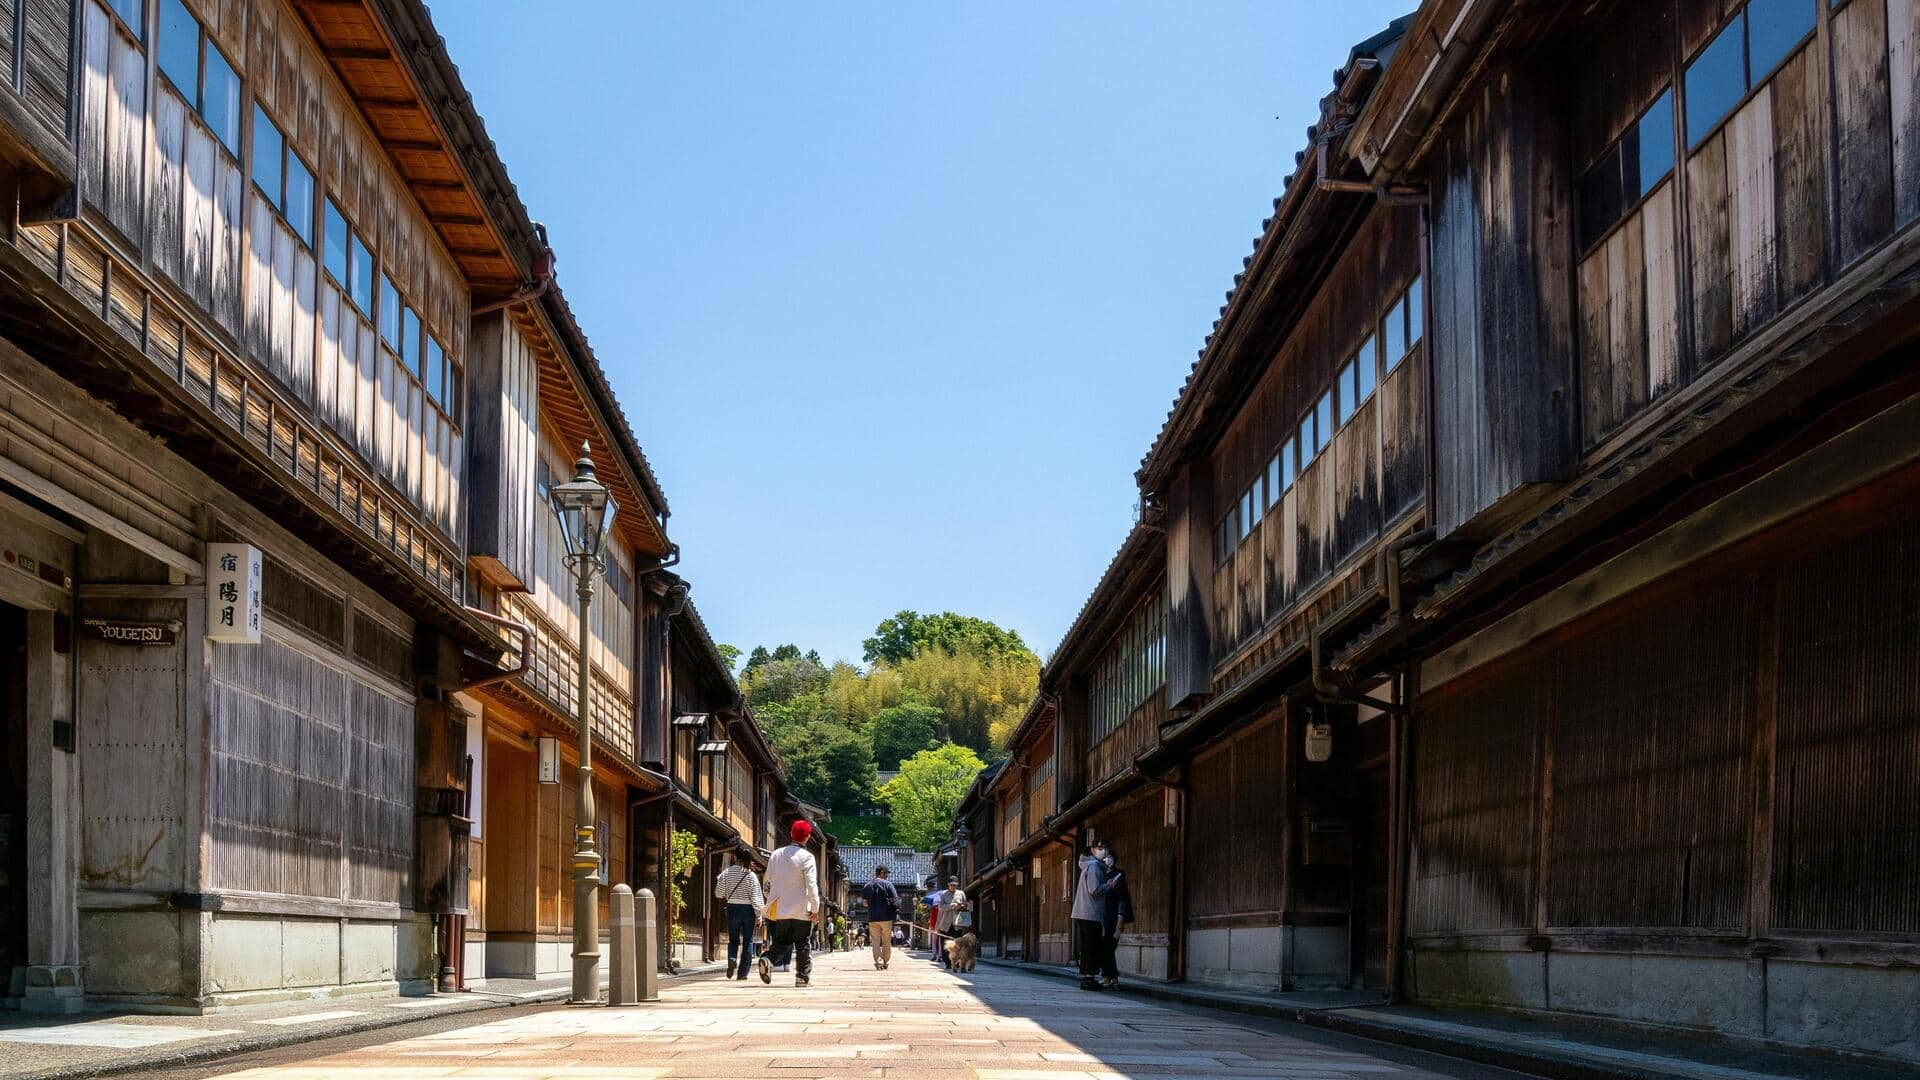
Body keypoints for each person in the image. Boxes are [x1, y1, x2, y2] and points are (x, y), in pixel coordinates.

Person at [758, 819, 821, 987]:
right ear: (807, 837)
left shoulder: (776, 854)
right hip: (801, 908)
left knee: (782, 941)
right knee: (802, 944)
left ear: (791, 834)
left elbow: (767, 881)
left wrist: (769, 898)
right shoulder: (807, 857)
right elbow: (811, 884)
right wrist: (815, 908)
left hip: (781, 908)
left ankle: (768, 959)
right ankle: (801, 977)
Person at [713, 849, 765, 981]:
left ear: (735, 857)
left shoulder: (727, 873)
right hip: (748, 909)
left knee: (733, 939)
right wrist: (759, 914)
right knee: (748, 941)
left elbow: (719, 893)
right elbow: (756, 897)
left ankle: (731, 959)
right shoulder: (751, 875)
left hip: (732, 907)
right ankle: (742, 973)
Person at [1070, 838, 1112, 990]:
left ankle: (1087, 977)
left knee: (1087, 946)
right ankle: (1090, 977)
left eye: (1105, 847)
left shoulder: (1089, 865)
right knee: (1093, 946)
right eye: (1100, 847)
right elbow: (1094, 889)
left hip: (1082, 911)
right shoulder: (1094, 866)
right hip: (1091, 912)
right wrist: (1108, 885)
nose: (1103, 850)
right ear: (1093, 850)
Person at [1098, 845, 1133, 990]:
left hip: (1115, 917)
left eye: (1109, 857)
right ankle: (1112, 977)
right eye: (1105, 857)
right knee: (1107, 948)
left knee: (1108, 947)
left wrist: (1121, 918)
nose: (1107, 860)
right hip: (1104, 916)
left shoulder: (1119, 875)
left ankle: (1110, 977)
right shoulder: (1101, 874)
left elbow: (1123, 898)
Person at [862, 865, 900, 970]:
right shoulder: (888, 884)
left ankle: (877, 961)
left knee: (875, 941)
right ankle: (885, 961)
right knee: (886, 940)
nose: (887, 876)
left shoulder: (868, 885)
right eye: (886, 873)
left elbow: (865, 903)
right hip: (886, 917)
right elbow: (895, 899)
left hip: (872, 917)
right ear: (882, 872)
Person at [935, 876, 969, 970]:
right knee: (946, 945)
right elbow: (940, 907)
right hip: (945, 924)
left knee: (958, 944)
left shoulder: (961, 893)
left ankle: (957, 962)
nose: (953, 886)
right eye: (952, 885)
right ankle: (947, 963)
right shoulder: (943, 894)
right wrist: (951, 906)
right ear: (948, 885)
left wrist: (960, 905)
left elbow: (966, 905)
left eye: (955, 885)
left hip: (958, 923)